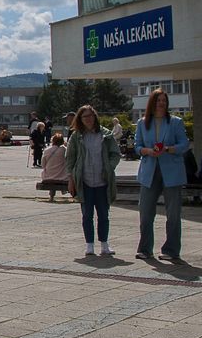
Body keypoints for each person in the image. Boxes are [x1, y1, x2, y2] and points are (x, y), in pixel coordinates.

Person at [135, 88, 190, 261]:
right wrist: (147, 151)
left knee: (173, 213)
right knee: (145, 212)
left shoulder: (175, 122)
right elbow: (137, 146)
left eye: (164, 101)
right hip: (149, 171)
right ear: (152, 103)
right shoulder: (142, 123)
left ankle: (171, 250)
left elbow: (184, 144)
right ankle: (145, 249)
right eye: (158, 100)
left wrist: (168, 149)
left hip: (171, 171)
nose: (161, 104)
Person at [66, 104, 122, 257]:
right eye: (85, 117)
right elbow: (69, 159)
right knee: (86, 215)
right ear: (80, 119)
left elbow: (115, 154)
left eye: (90, 116)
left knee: (103, 214)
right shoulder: (76, 136)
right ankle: (89, 245)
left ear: (95, 116)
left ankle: (104, 244)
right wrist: (71, 178)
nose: (88, 119)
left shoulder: (106, 134)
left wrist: (109, 168)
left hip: (102, 181)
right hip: (84, 182)